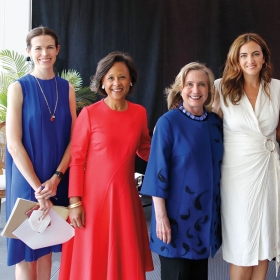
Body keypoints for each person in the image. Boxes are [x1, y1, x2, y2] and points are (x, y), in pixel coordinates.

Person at [58, 51, 154, 280]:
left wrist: (175, 159)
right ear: (102, 81)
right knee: (93, 258)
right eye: (110, 78)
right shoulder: (89, 114)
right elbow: (77, 159)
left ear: (130, 80)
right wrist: (74, 202)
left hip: (125, 198)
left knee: (124, 258)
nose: (116, 83)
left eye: (122, 77)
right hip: (92, 201)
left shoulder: (139, 113)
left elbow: (145, 149)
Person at [5, 26, 76, 280]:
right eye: (37, 48)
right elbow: (13, 143)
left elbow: (74, 140)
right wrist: (39, 188)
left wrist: (56, 178)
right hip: (26, 180)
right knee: (25, 250)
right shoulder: (18, 88)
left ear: (57, 51)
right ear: (28, 51)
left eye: (49, 47)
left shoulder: (67, 88)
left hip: (56, 177)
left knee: (46, 247)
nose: (44, 53)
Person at [141, 62, 223, 280]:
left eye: (202, 85)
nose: (195, 90)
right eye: (189, 84)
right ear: (180, 88)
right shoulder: (168, 123)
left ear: (209, 90)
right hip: (175, 220)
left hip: (204, 219)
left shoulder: (215, 123)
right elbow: (157, 173)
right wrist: (161, 218)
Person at [212, 33, 280, 280]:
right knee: (242, 243)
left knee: (264, 238)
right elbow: (202, 126)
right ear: (236, 60)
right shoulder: (221, 87)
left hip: (268, 168)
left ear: (264, 58)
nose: (250, 60)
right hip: (237, 174)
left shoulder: (277, 88)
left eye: (255, 54)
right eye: (244, 55)